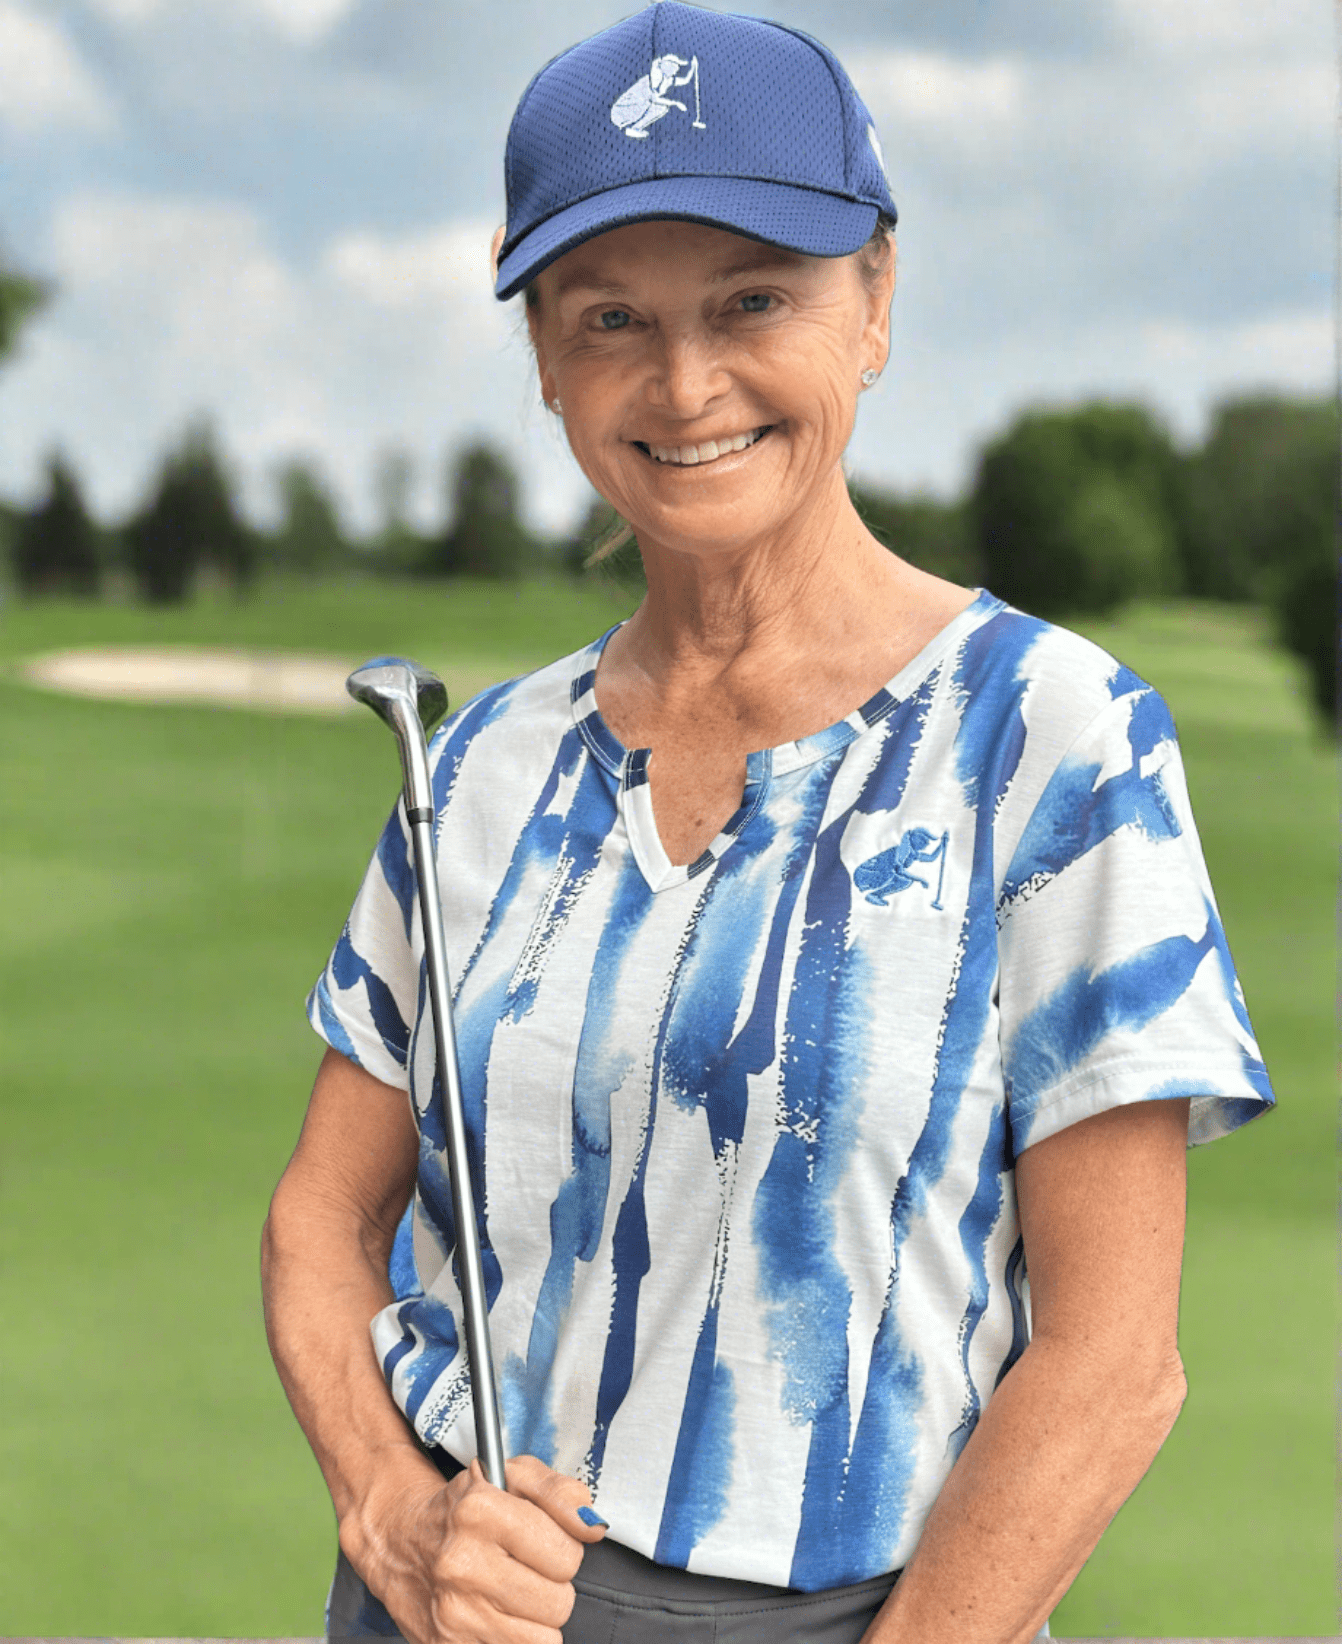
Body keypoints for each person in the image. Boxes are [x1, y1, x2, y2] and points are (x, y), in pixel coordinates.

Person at [261, 6, 1275, 1642]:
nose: (684, 381)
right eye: (610, 318)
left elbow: (1112, 1366)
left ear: (874, 302)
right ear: (541, 358)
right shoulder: (475, 769)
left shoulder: (1055, 740)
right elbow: (322, 1212)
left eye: (754, 299)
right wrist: (388, 1507)